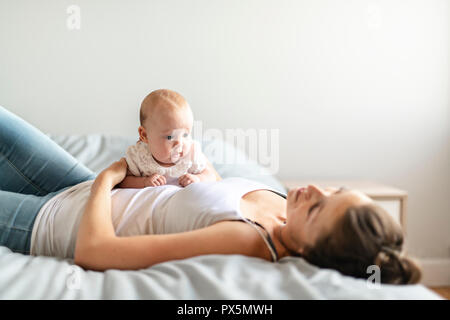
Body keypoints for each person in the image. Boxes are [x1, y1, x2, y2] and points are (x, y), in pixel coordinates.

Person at [0, 106, 422, 285]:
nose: (312, 190)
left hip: (52, 222)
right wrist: (195, 171)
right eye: (334, 192)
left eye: (318, 209)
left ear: (312, 250)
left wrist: (107, 179)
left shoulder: (251, 241)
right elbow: (216, 192)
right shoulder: (279, 204)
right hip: (77, 184)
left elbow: (95, 251)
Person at [122, 89, 218, 188]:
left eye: (185, 135)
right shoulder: (140, 157)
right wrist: (144, 182)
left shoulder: (191, 156)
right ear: (145, 135)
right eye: (170, 137)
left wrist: (198, 179)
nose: (179, 143)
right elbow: (123, 181)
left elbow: (211, 175)